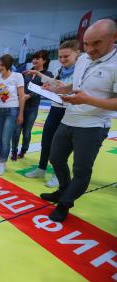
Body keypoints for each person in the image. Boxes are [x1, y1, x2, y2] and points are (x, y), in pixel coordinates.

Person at [40, 19, 117, 222]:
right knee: (55, 158)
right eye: (86, 44)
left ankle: (65, 204)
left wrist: (87, 99)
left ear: (114, 38)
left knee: (81, 170)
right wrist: (58, 90)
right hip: (69, 119)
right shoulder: (83, 58)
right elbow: (74, 85)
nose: (90, 49)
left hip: (92, 126)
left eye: (96, 43)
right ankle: (63, 191)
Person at [25, 40, 79, 187]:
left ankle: (57, 174)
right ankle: (41, 168)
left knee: (61, 146)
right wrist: (41, 78)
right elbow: (54, 83)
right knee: (46, 140)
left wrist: (63, 88)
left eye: (66, 57)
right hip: (55, 109)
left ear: (77, 54)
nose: (62, 60)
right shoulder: (61, 70)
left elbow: (76, 90)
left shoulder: (81, 71)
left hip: (68, 112)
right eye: (60, 57)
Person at [11, 50, 53, 160]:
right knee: (16, 131)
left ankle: (24, 150)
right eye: (33, 58)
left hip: (32, 107)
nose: (34, 60)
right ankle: (14, 151)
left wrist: (29, 96)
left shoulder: (48, 75)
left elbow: (43, 90)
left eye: (37, 58)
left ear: (44, 61)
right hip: (20, 105)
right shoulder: (27, 73)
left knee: (26, 132)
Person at [0, 54, 25, 176]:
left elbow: (21, 96)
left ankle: (3, 162)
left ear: (8, 65)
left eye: (2, 65)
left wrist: (21, 114)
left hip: (12, 111)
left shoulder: (17, 76)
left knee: (5, 138)